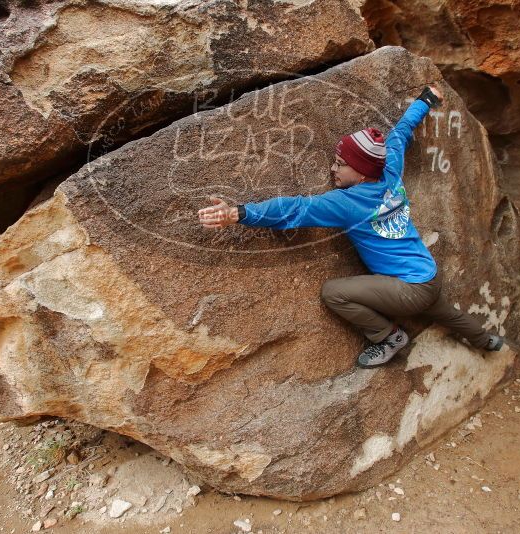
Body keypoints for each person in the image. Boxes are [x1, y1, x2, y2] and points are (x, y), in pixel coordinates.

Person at [197, 85, 504, 368]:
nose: (333, 168)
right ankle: (486, 340)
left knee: (334, 292)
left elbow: (295, 208)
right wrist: (426, 99)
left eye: (340, 163)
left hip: (409, 289)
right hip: (428, 274)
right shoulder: (390, 171)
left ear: (361, 173)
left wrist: (239, 213)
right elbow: (400, 133)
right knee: (445, 313)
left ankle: (389, 336)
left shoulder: (347, 203)